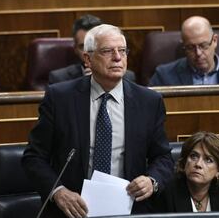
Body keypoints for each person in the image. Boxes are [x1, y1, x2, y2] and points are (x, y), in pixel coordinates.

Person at [23, 24, 174, 218]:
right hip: (72, 209)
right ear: (88, 59)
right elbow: (34, 157)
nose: (118, 58)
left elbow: (163, 157)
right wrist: (58, 191)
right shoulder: (60, 98)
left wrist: (151, 181)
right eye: (107, 51)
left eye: (122, 51)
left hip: (130, 208)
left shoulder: (149, 101)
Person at [154, 131, 219, 212]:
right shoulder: (168, 191)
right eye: (193, 156)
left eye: (208, 160)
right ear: (185, 161)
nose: (198, 164)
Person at [149, 16, 219, 86]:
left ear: (214, 41)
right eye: (190, 47)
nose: (198, 53)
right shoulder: (163, 76)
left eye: (203, 45)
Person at [49, 14, 136, 84]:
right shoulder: (59, 78)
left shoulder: (127, 76)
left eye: (121, 50)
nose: (87, 51)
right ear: (75, 49)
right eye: (82, 47)